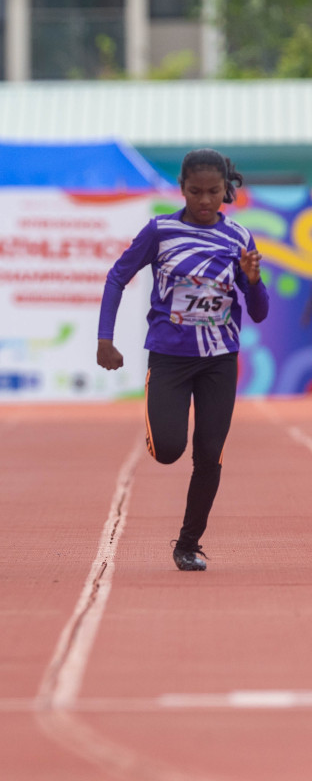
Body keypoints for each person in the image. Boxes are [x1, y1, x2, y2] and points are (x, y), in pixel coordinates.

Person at [97, 149, 268, 571]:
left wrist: (252, 280)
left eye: (213, 192)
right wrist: (106, 339)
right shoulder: (161, 231)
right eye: (195, 192)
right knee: (169, 450)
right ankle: (165, 426)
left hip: (219, 359)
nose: (205, 201)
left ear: (226, 190)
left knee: (209, 453)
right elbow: (118, 276)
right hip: (171, 357)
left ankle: (188, 543)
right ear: (182, 188)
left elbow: (259, 311)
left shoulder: (240, 238)